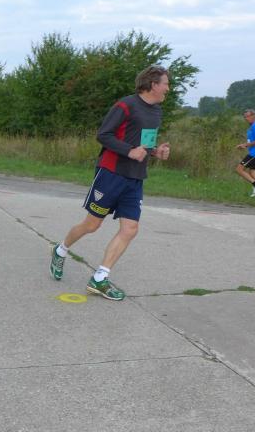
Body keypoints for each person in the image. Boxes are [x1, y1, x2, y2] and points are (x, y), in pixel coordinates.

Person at [49, 65, 172, 300]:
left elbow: (145, 144)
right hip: (111, 173)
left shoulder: (157, 111)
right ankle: (60, 249)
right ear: (153, 84)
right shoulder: (126, 105)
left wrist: (156, 152)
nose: (168, 88)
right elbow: (103, 135)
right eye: (165, 83)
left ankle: (99, 278)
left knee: (130, 229)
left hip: (135, 177)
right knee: (92, 225)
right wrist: (129, 151)